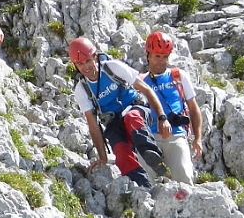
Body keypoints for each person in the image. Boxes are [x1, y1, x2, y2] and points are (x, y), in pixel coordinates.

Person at [69, 37, 171, 189]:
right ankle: (144, 188)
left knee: (132, 118)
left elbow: (146, 89)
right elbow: (93, 125)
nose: (86, 67)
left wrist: (162, 118)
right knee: (121, 153)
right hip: (114, 122)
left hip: (136, 109)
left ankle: (154, 158)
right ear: (75, 65)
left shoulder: (113, 68)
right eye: (80, 64)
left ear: (95, 57)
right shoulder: (82, 89)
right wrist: (102, 157)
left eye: (88, 61)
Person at [139, 31, 203, 184]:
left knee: (185, 178)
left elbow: (193, 108)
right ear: (148, 55)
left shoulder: (178, 76)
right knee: (144, 182)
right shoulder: (140, 81)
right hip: (149, 137)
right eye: (157, 56)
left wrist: (198, 139)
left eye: (165, 57)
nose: (161, 61)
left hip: (176, 136)